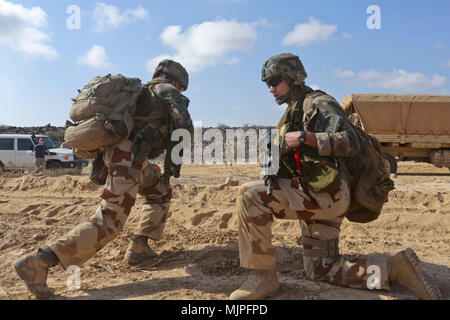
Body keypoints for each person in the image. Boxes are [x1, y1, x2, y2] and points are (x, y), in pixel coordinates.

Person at [229, 53, 439, 300]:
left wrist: (305, 138)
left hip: (325, 194)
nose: (272, 88)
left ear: (293, 78)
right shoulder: (294, 110)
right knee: (320, 268)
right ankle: (393, 270)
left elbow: (350, 142)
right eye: (268, 84)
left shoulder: (318, 103)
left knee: (249, 195)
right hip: (319, 194)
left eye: (276, 81)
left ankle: (262, 277)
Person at [13, 60, 194, 299]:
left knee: (159, 190)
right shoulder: (166, 92)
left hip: (125, 157)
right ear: (177, 82)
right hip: (128, 159)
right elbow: (185, 128)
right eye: (181, 88)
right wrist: (173, 161)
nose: (180, 92)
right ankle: (41, 260)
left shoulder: (141, 95)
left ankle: (140, 247)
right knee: (110, 220)